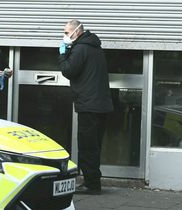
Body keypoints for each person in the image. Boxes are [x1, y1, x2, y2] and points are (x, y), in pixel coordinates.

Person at [58, 19, 113, 195]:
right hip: (101, 104)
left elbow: (68, 70)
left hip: (89, 105)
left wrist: (63, 53)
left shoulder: (80, 48)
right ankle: (93, 180)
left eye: (67, 33)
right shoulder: (95, 46)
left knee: (88, 145)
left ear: (77, 32)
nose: (65, 36)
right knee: (94, 145)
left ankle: (91, 184)